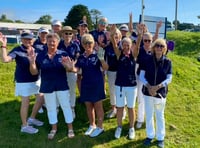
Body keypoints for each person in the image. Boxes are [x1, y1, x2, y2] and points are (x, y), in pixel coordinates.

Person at [28, 33, 75, 139]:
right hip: (47, 86)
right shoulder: (40, 56)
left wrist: (69, 67)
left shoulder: (63, 54)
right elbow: (34, 72)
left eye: (54, 41)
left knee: (66, 107)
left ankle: (70, 128)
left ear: (58, 42)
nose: (51, 43)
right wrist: (32, 63)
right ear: (46, 43)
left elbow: (69, 69)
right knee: (51, 108)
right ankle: (54, 128)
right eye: (49, 41)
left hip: (61, 85)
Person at [0, 30, 44, 134]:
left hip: (36, 79)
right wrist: (4, 45)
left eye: (29, 39)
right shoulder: (17, 50)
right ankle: (24, 125)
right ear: (21, 40)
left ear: (33, 40)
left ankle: (32, 118)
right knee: (26, 102)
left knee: (41, 98)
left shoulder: (36, 50)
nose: (27, 41)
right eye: (25, 39)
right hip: (23, 81)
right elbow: (5, 59)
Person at [66, 34, 108, 137]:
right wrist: (71, 68)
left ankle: (100, 127)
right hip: (86, 84)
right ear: (82, 44)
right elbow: (77, 70)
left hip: (97, 84)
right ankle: (92, 125)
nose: (88, 45)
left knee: (98, 106)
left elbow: (106, 67)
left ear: (93, 43)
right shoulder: (81, 57)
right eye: (85, 43)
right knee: (89, 106)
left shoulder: (98, 54)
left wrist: (102, 59)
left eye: (90, 42)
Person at [110, 24, 143, 139]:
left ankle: (131, 128)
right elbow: (114, 44)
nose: (126, 46)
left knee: (130, 107)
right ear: (122, 45)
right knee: (120, 107)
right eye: (124, 44)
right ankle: (119, 127)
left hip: (131, 86)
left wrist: (140, 35)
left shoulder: (133, 55)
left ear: (130, 45)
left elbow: (138, 45)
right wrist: (112, 33)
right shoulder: (119, 54)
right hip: (119, 85)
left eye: (128, 44)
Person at [139, 38, 172, 148]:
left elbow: (169, 78)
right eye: (157, 45)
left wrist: (158, 87)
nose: (159, 48)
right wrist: (149, 86)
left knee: (159, 115)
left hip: (160, 93)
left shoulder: (168, 62)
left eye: (161, 46)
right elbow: (141, 76)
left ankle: (160, 138)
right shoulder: (147, 60)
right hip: (148, 92)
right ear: (153, 47)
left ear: (164, 49)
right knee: (149, 115)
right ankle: (150, 135)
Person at [58, 26, 80, 119]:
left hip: (71, 70)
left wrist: (71, 65)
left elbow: (77, 56)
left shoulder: (75, 45)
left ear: (72, 35)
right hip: (60, 71)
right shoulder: (58, 44)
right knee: (61, 90)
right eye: (66, 33)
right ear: (62, 34)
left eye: (70, 33)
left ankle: (72, 108)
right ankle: (60, 107)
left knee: (71, 90)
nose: (68, 35)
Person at [135, 32, 153, 129]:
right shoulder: (140, 51)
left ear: (152, 41)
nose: (147, 42)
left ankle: (149, 119)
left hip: (151, 79)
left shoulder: (154, 51)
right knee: (141, 99)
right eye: (145, 40)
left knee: (150, 100)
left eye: (149, 40)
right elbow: (136, 64)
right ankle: (140, 119)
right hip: (140, 78)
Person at [104, 28, 122, 119]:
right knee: (112, 91)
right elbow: (105, 60)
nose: (115, 38)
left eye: (117, 36)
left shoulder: (122, 46)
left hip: (121, 72)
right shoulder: (107, 47)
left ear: (120, 37)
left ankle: (122, 110)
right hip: (111, 71)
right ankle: (113, 108)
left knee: (121, 91)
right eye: (114, 36)